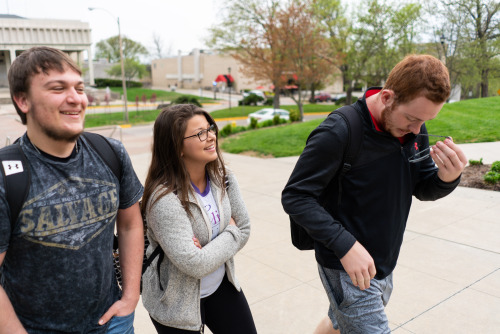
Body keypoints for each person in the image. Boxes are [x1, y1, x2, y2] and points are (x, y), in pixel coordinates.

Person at [281, 54, 467, 333]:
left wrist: (447, 177)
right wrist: (345, 246)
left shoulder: (413, 127)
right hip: (346, 265)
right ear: (387, 97)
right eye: (412, 119)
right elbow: (296, 196)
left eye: (424, 121)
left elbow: (423, 187)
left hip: (384, 261)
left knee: (337, 322)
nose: (417, 130)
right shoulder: (339, 131)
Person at [0, 46, 144, 333]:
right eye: (58, 88)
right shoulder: (5, 176)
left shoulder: (110, 152)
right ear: (22, 100)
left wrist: (130, 295)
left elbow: (129, 224)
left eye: (79, 88)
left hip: (113, 323)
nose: (76, 98)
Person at [141, 104, 257, 334]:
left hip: (222, 286)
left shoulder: (223, 178)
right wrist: (230, 232)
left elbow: (244, 227)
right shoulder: (163, 198)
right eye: (199, 133)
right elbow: (196, 264)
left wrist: (207, 250)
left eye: (210, 128)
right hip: (175, 305)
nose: (211, 136)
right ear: (177, 147)